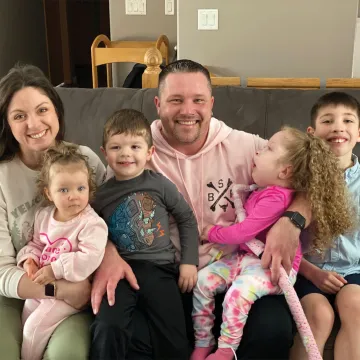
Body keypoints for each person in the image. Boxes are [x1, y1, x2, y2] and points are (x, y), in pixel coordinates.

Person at [92, 59, 312, 360]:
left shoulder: (247, 147)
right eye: (176, 100)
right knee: (127, 333)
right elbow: (96, 214)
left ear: (211, 103)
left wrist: (293, 219)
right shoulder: (134, 150)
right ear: (158, 104)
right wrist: (108, 253)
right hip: (167, 276)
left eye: (197, 100)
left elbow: (309, 178)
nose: (188, 110)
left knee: (272, 330)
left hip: (236, 271)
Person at [190, 126, 353, 360]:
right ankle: (204, 341)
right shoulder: (262, 190)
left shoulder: (277, 198)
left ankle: (226, 349)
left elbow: (243, 232)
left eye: (267, 149)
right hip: (247, 258)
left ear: (285, 171)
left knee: (238, 293)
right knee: (203, 281)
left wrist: (212, 232)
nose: (257, 153)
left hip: (274, 268)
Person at [0, 64, 106, 359]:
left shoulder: (86, 160)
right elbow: (1, 269)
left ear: (57, 111)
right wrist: (55, 288)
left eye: (42, 110)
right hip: (16, 294)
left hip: (77, 294)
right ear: (7, 123)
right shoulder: (2, 178)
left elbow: (111, 227)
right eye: (19, 116)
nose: (34, 124)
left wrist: (83, 282)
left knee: (66, 355)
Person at [90, 109, 199, 360]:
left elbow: (186, 218)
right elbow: (88, 231)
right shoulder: (99, 196)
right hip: (120, 273)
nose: (126, 153)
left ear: (150, 153)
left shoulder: (160, 184)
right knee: (108, 326)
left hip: (160, 270)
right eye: (116, 147)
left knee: (174, 338)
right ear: (104, 153)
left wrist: (189, 262)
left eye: (135, 146)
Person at [17, 143, 108, 360]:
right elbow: (37, 245)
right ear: (49, 193)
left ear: (89, 188)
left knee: (34, 327)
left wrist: (55, 269)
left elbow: (90, 258)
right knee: (28, 309)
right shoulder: (44, 216)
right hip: (45, 284)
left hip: (72, 292)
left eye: (81, 188)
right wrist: (29, 259)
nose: (73, 196)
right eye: (64, 190)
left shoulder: (92, 224)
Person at [291, 92, 360, 360]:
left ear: (358, 133)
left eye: (347, 120)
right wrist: (311, 272)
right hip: (308, 271)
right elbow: (283, 235)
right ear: (312, 133)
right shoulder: (297, 178)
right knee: (319, 315)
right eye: (328, 121)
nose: (338, 127)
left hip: (353, 270)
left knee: (355, 305)